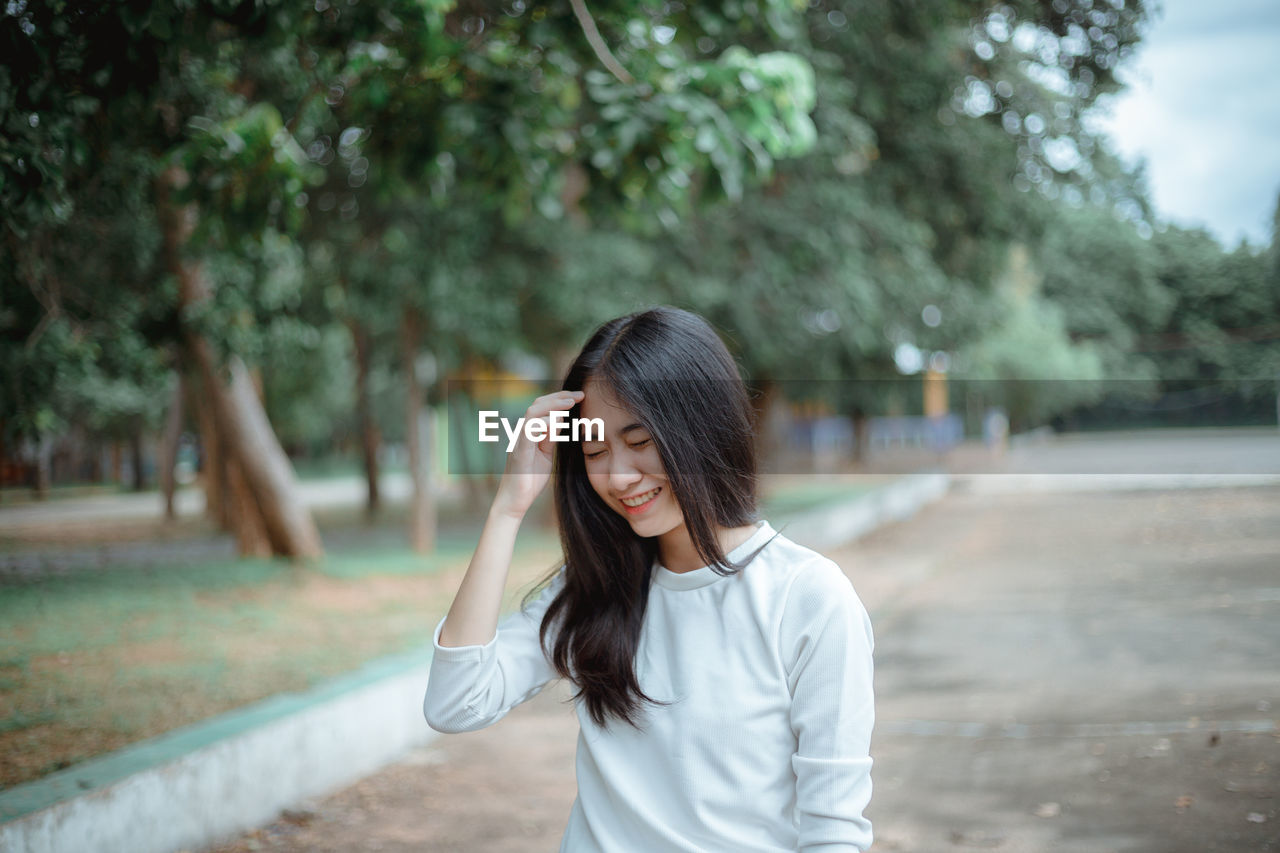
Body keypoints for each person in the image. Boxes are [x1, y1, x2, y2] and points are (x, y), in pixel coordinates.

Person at [423, 306, 875, 852]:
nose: (617, 476)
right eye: (594, 451)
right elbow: (455, 703)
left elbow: (833, 832)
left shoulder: (807, 598)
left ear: (700, 427)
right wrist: (508, 508)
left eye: (639, 443)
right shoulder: (590, 586)